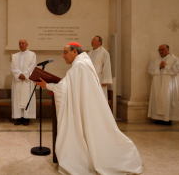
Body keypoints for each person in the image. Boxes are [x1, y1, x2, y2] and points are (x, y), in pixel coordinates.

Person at [34, 42, 143, 175]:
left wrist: (47, 85)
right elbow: (70, 86)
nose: (63, 56)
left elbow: (64, 88)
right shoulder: (83, 64)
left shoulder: (79, 66)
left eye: (65, 52)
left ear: (75, 52)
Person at [148, 44, 179, 125]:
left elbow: (178, 69)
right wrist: (159, 67)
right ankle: (158, 118)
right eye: (159, 50)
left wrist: (166, 66)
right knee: (158, 98)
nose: (161, 51)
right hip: (157, 84)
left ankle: (168, 118)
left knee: (167, 99)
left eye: (162, 49)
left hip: (169, 83)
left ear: (168, 49)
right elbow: (150, 70)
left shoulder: (174, 59)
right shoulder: (156, 60)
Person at [11, 39, 36, 126]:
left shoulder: (32, 54)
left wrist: (25, 75)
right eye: (20, 43)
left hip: (27, 81)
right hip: (18, 80)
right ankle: (19, 118)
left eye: (23, 43)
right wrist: (19, 75)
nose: (21, 45)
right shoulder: (14, 56)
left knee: (27, 98)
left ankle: (26, 118)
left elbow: (32, 66)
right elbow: (13, 67)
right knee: (17, 99)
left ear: (27, 44)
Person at [87, 36, 112, 100]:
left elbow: (107, 66)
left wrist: (105, 80)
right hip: (90, 78)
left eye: (94, 40)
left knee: (99, 97)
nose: (92, 41)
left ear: (99, 42)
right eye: (92, 40)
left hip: (99, 79)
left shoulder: (104, 52)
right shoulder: (89, 53)